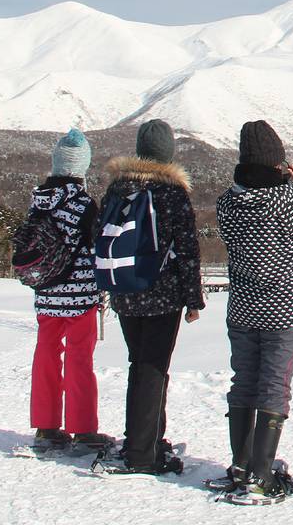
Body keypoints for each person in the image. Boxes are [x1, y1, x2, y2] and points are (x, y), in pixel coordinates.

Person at [205, 120, 293, 505]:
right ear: (277, 161)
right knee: (273, 386)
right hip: (283, 310)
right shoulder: (285, 198)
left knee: (244, 381)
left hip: (242, 308)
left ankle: (242, 465)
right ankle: (261, 476)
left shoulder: (228, 201)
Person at [91, 119, 205, 476]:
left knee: (138, 364)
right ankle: (143, 452)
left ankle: (145, 438)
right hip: (163, 294)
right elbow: (187, 249)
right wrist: (193, 298)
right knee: (153, 369)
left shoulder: (117, 188)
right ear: (168, 154)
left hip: (124, 290)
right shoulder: (171, 192)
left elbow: (99, 235)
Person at [28, 128, 109, 454]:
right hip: (79, 296)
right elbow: (97, 246)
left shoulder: (39, 203)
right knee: (79, 358)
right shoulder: (84, 204)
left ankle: (46, 427)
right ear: (82, 167)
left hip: (46, 290)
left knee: (46, 354)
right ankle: (82, 428)